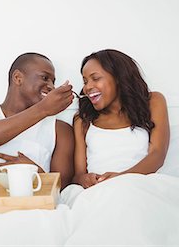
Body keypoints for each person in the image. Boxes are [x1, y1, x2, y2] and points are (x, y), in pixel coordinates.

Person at [0, 52, 75, 189]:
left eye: (53, 81)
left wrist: (34, 172)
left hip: (31, 208)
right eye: (45, 78)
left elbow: (62, 189)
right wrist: (42, 109)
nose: (51, 86)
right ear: (18, 78)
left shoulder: (60, 130)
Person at [72, 49, 170, 190]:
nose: (87, 87)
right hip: (98, 191)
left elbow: (158, 154)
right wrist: (84, 179)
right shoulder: (82, 119)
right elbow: (78, 174)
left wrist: (121, 178)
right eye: (85, 81)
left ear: (118, 77)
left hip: (140, 187)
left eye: (96, 78)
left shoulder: (154, 101)